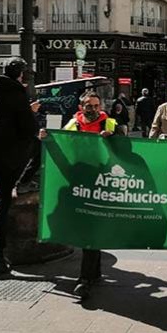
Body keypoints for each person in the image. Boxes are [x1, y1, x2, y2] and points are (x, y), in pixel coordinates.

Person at [54, 90, 122, 298]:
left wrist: (113, 138)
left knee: (91, 229)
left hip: (101, 183)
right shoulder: (72, 125)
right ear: (80, 107)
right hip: (79, 183)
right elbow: (59, 144)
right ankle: (93, 273)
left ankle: (85, 278)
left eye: (95, 105)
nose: (92, 109)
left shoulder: (109, 124)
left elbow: (126, 149)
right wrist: (46, 137)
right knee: (88, 229)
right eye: (88, 106)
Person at [0, 57, 39, 277]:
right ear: (20, 73)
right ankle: (25, 181)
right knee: (40, 148)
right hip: (15, 154)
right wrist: (30, 111)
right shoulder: (17, 92)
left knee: (3, 200)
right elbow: (28, 128)